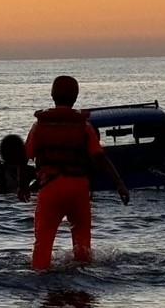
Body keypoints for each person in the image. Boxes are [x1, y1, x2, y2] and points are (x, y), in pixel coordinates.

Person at [20, 75, 130, 271]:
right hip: (78, 189)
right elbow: (100, 158)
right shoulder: (84, 127)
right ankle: (83, 280)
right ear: (76, 96)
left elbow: (24, 158)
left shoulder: (39, 126)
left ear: (52, 95)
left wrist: (22, 186)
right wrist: (119, 183)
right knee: (82, 244)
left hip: (50, 189)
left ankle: (40, 278)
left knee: (43, 243)